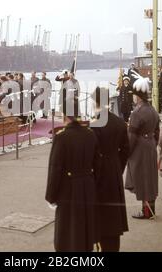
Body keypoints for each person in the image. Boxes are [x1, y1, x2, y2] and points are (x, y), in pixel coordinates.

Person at [45, 110, 98, 252]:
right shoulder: (90, 134)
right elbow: (96, 164)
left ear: (64, 116)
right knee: (84, 226)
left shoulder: (61, 137)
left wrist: (50, 196)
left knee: (67, 230)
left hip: (68, 189)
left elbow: (55, 169)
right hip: (87, 186)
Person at [91, 87, 129, 252]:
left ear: (96, 102)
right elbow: (126, 150)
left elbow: (92, 154)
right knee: (114, 217)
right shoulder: (120, 122)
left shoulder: (95, 124)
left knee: (100, 215)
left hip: (99, 174)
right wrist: (118, 167)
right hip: (114, 170)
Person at [125, 77, 160, 219]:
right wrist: (152, 143)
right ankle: (150, 210)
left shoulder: (136, 113)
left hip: (140, 148)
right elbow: (157, 132)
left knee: (142, 179)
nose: (132, 98)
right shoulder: (152, 110)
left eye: (133, 95)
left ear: (137, 96)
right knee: (150, 178)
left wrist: (126, 152)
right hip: (151, 145)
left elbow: (131, 137)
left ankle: (146, 212)